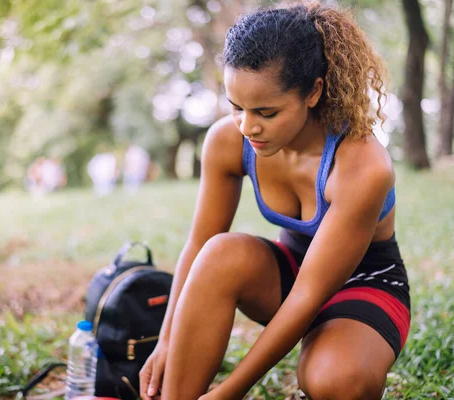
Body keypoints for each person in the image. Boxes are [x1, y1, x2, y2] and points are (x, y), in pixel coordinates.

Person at [139, 3, 410, 400]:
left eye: (266, 111)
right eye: (236, 107)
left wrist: (227, 392)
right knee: (218, 254)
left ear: (313, 92)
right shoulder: (227, 141)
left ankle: (344, 346)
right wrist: (166, 341)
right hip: (291, 271)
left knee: (335, 380)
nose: (248, 126)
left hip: (364, 285)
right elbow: (198, 246)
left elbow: (308, 295)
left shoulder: (363, 167)